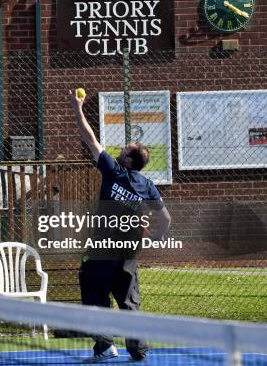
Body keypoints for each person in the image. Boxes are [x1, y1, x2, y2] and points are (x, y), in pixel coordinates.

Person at [70, 89, 171, 362]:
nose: (123, 147)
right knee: (128, 301)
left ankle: (104, 347)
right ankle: (138, 352)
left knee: (94, 293)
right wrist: (154, 239)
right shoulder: (148, 186)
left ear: (128, 160)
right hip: (128, 250)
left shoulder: (114, 171)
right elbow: (166, 220)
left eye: (126, 148)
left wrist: (77, 106)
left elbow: (89, 138)